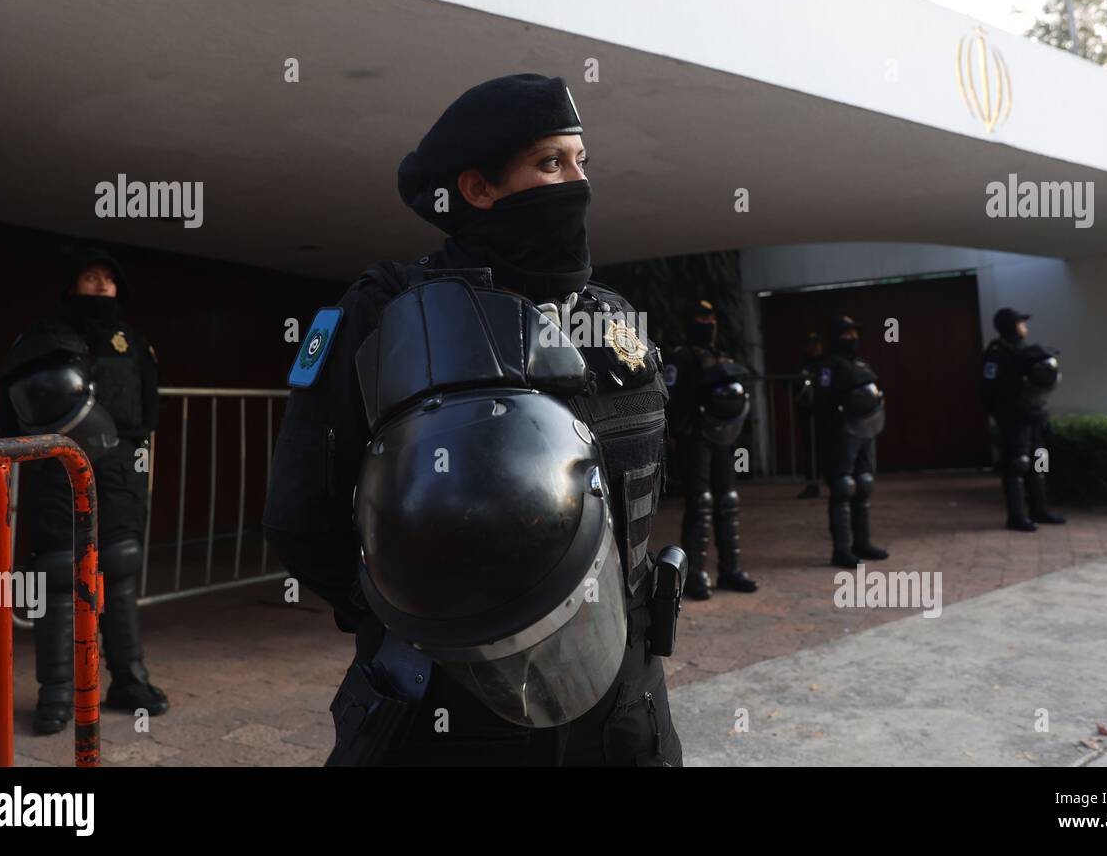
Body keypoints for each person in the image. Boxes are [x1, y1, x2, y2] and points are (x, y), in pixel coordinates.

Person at [262, 73, 684, 766]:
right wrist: (418, 615)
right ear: (478, 189)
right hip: (457, 705)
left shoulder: (610, 318)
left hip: (625, 704)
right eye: (551, 163)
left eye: (582, 161)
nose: (577, 182)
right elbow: (302, 515)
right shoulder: (391, 315)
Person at [0, 248, 168, 734]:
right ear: (73, 284)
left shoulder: (134, 343)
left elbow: (148, 414)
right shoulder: (41, 337)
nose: (98, 285)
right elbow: (12, 409)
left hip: (117, 472)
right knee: (56, 573)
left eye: (107, 279)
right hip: (53, 467)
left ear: (119, 290)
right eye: (89, 277)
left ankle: (129, 681)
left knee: (118, 566)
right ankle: (55, 694)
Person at [664, 299, 759, 600]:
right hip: (694, 437)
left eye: (711, 318)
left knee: (728, 500)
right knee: (700, 503)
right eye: (702, 319)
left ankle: (730, 569)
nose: (709, 324)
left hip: (721, 437)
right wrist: (678, 434)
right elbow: (670, 398)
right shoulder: (679, 358)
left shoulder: (719, 355)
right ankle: (695, 575)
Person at [981, 308, 1066, 532]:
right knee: (1018, 463)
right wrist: (1003, 412)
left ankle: (1040, 509)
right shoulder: (997, 353)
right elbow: (989, 388)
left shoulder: (1028, 351)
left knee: (1040, 460)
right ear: (1011, 326)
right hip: (1014, 417)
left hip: (1034, 414)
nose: (1025, 327)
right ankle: (1017, 516)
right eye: (1021, 323)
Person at [814, 315, 889, 567]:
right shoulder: (828, 365)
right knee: (843, 486)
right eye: (847, 334)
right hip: (841, 431)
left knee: (864, 483)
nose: (853, 338)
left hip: (865, 428)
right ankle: (842, 549)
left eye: (855, 333)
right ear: (836, 337)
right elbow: (821, 399)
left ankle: (863, 543)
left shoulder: (860, 363)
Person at [794, 331, 825, 499]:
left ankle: (836, 483)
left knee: (829, 449)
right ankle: (812, 485)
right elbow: (794, 386)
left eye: (817, 344)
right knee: (811, 451)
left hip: (826, 414)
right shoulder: (802, 365)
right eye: (811, 345)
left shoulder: (827, 363)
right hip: (807, 413)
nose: (814, 348)